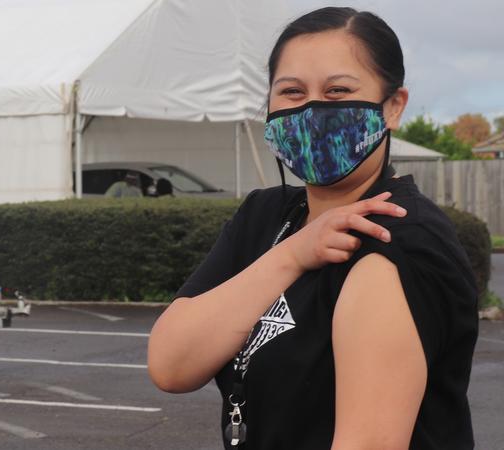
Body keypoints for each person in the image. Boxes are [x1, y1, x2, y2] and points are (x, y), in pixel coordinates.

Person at [147, 7, 478, 450]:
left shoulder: (395, 243)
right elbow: (172, 364)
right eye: (292, 91)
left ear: (393, 106)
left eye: (338, 90)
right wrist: (292, 254)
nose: (312, 109)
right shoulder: (265, 217)